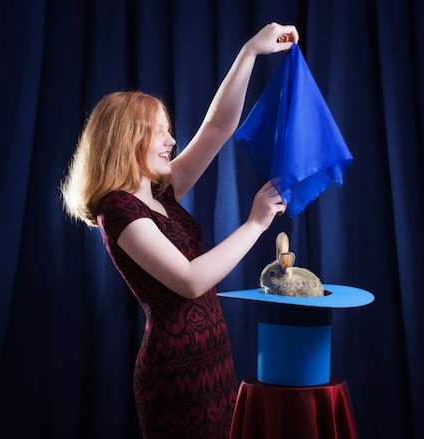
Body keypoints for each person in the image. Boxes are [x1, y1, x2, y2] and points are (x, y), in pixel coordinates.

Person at [61, 23, 298, 438]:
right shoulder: (116, 209)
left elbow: (217, 127)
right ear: (128, 139)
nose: (172, 141)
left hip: (214, 361)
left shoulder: (160, 192)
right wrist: (255, 223)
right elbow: (190, 281)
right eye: (160, 132)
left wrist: (249, 53)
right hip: (175, 377)